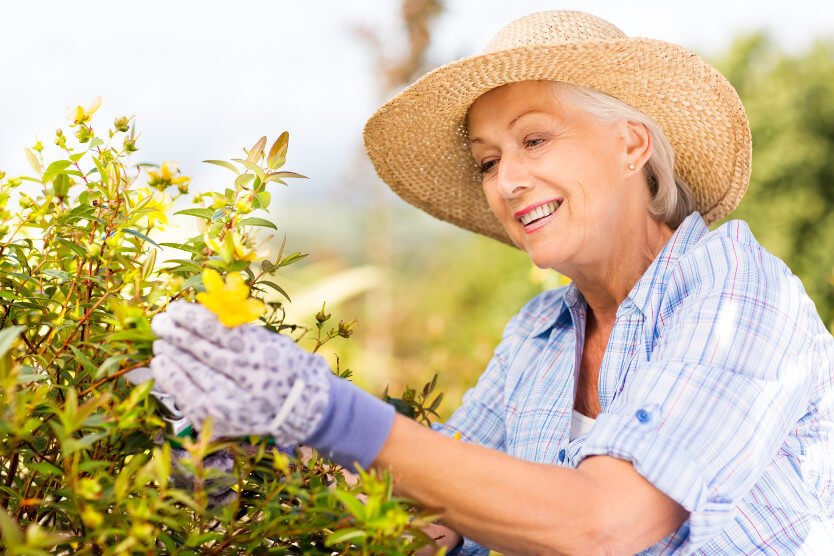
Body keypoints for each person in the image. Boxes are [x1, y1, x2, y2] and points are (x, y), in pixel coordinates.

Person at [149, 10, 834, 554]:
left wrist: (320, 408)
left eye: (534, 140)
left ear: (632, 144)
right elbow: (429, 519)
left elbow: (604, 528)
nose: (506, 181)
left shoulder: (737, 292)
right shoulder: (538, 336)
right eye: (488, 161)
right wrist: (245, 457)